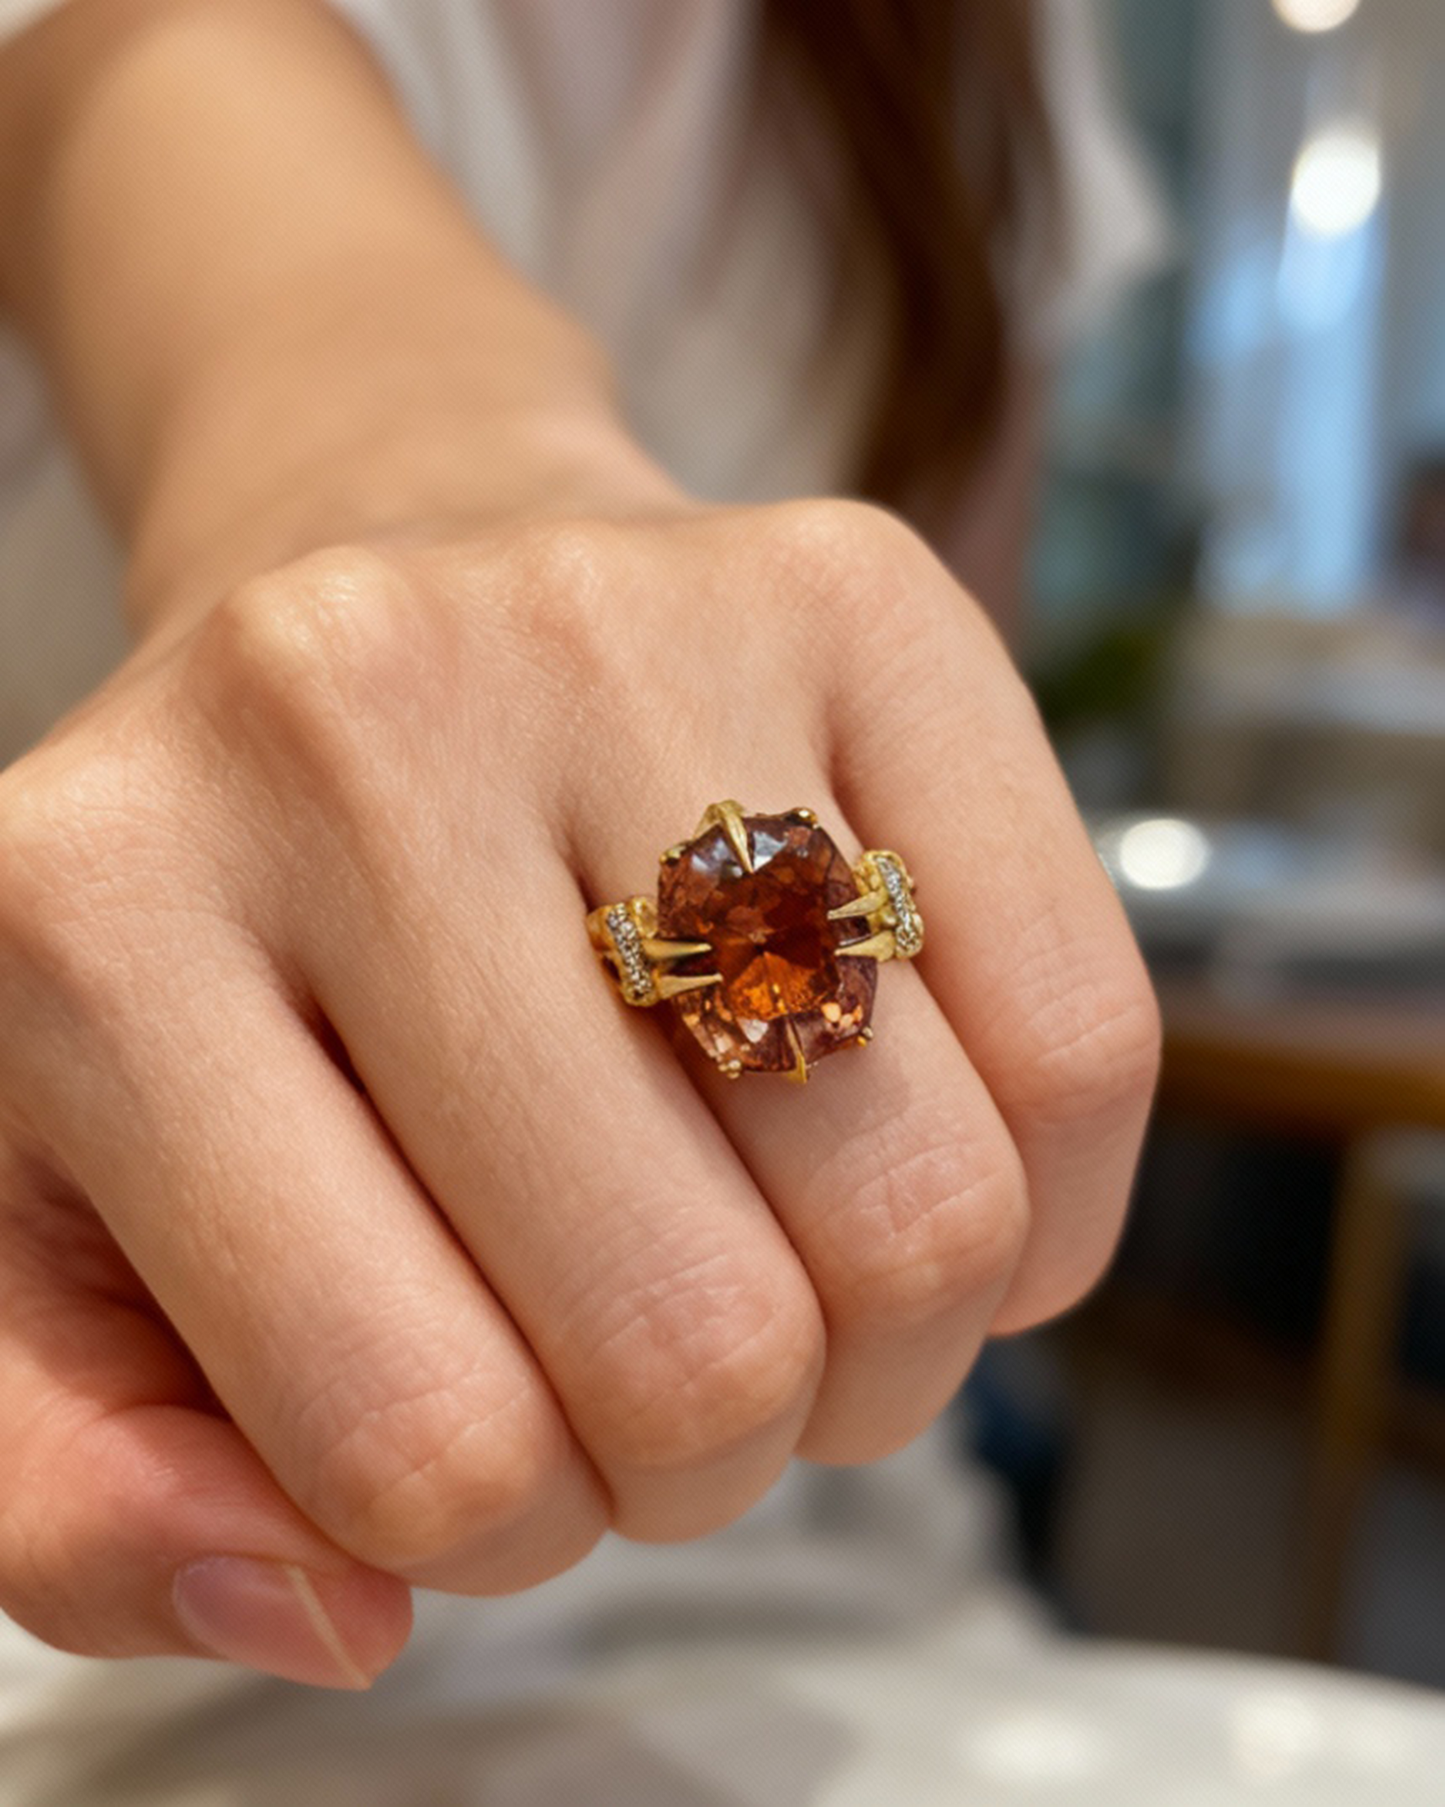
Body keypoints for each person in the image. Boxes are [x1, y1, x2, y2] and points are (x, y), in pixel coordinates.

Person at [0, 0, 1163, 1712]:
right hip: (202, 1468)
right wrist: (431, 477)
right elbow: (155, 94)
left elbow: (928, 725)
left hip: (838, 1544)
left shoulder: (1003, 58)